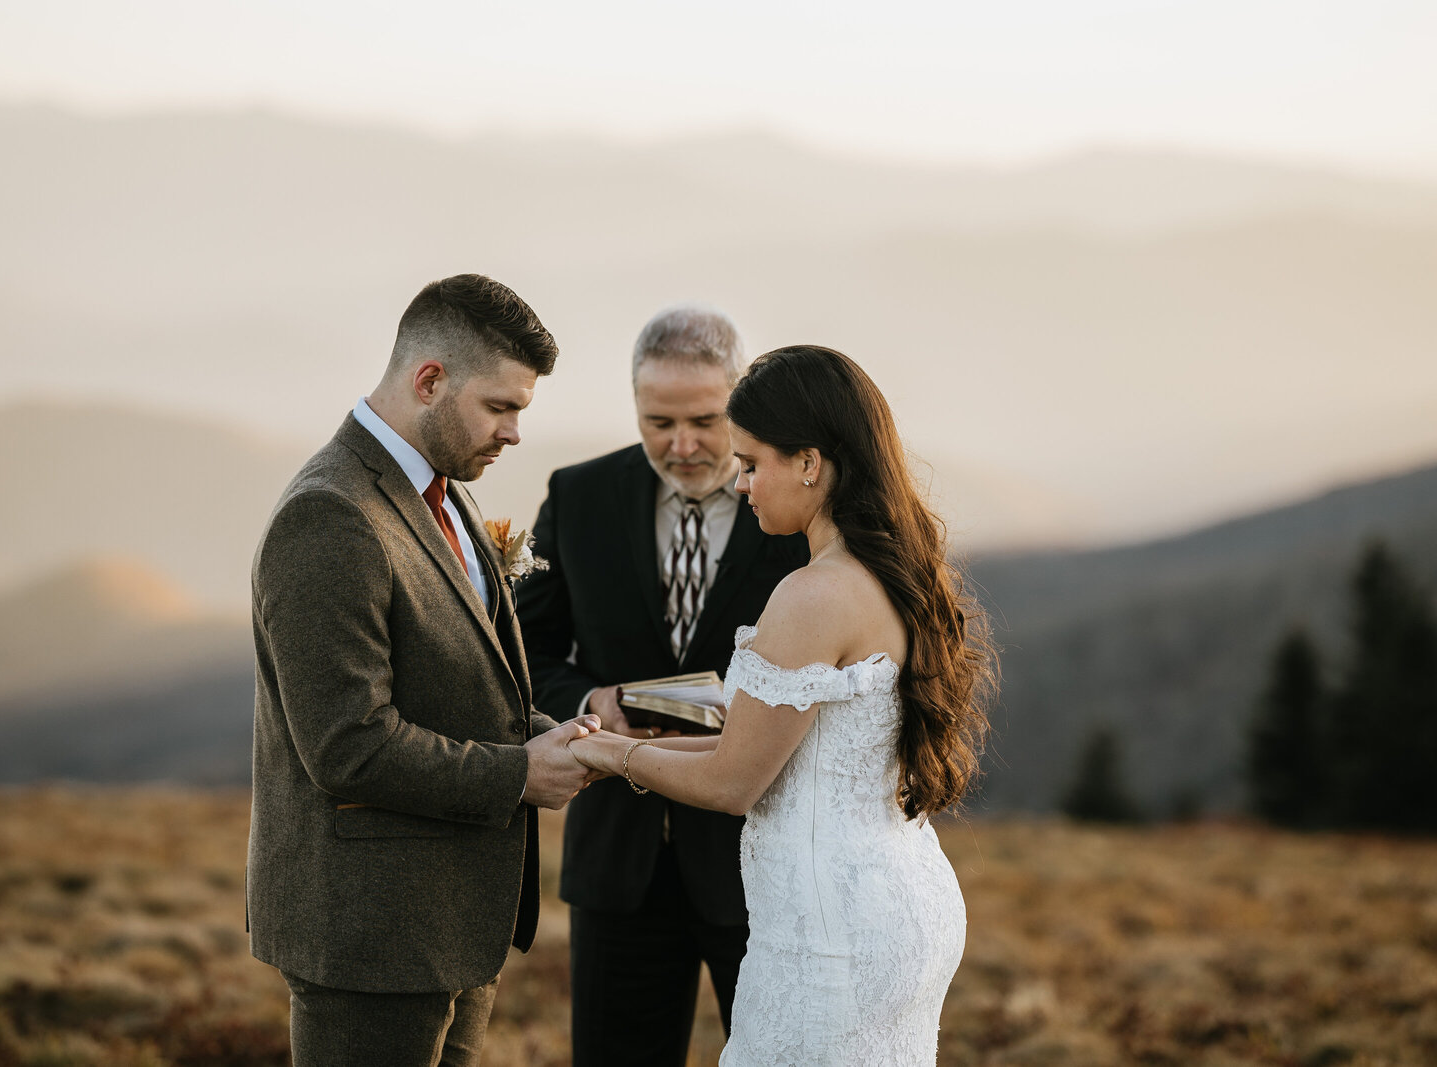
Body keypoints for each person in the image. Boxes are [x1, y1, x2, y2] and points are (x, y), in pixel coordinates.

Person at [568, 345, 996, 1065]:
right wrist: (611, 754)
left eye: (752, 462)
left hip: (826, 930)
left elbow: (734, 782)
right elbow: (753, 740)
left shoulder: (812, 594)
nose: (741, 484)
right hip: (902, 900)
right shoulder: (897, 569)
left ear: (810, 462)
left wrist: (615, 753)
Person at [246, 274, 601, 1067]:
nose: (513, 433)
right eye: (500, 407)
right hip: (370, 942)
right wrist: (518, 776)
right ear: (430, 380)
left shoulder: (442, 488)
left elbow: (456, 682)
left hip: (453, 926)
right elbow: (348, 746)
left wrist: (561, 738)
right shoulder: (329, 515)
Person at [515, 306, 807, 1065]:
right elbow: (525, 647)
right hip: (619, 861)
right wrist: (589, 702)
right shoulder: (578, 496)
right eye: (658, 421)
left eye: (706, 420)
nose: (681, 444)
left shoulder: (794, 508)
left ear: (741, 402)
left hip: (763, 862)